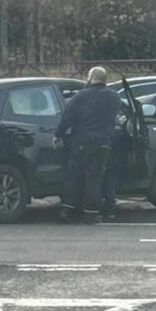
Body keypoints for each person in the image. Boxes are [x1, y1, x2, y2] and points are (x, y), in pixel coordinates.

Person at [54, 66, 122, 224]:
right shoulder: (114, 97)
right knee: (95, 178)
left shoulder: (81, 96)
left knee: (74, 176)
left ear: (91, 78)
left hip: (82, 141)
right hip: (104, 142)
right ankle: (91, 213)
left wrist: (58, 134)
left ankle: (67, 209)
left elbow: (67, 117)